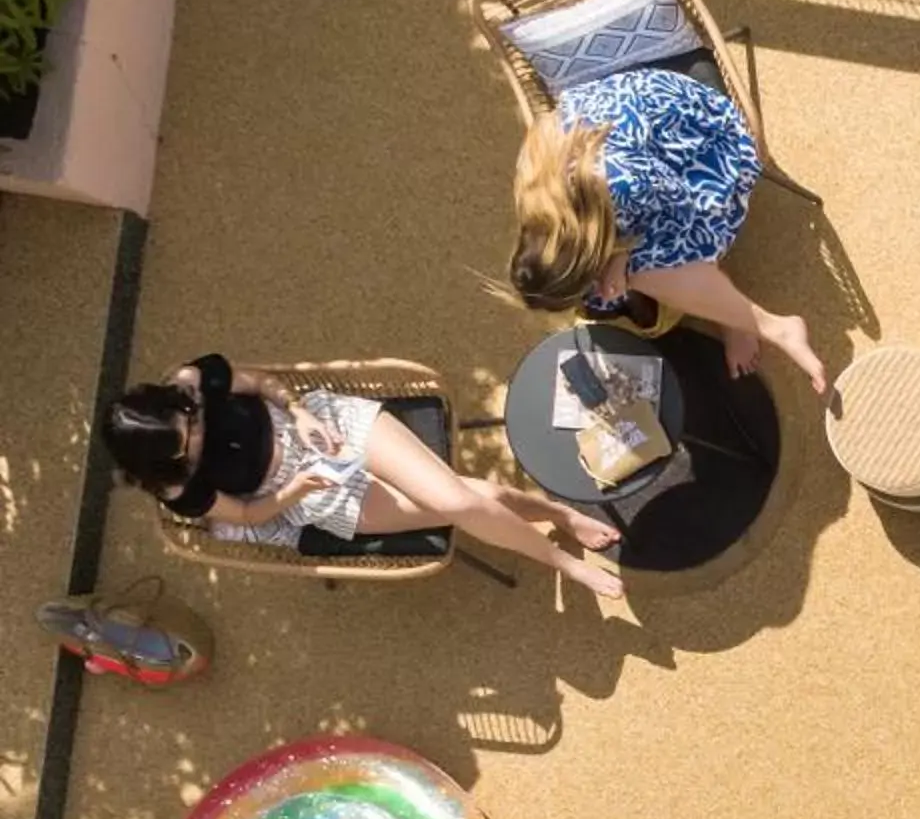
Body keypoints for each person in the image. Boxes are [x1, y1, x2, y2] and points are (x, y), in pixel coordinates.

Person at [104, 355, 623, 599]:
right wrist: (295, 491)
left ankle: (561, 560)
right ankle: (558, 514)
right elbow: (246, 513)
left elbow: (261, 380)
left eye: (187, 424)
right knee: (469, 497)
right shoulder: (178, 491)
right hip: (314, 492)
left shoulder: (192, 383)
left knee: (458, 502)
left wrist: (300, 412)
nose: (192, 437)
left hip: (329, 425)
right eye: (180, 447)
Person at [508, 65, 825, 395]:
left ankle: (765, 324)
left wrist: (624, 258)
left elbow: (681, 210)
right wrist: (616, 258)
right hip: (641, 145)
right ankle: (726, 306)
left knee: (649, 273)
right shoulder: (535, 195)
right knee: (622, 283)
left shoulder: (623, 185)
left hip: (700, 141)